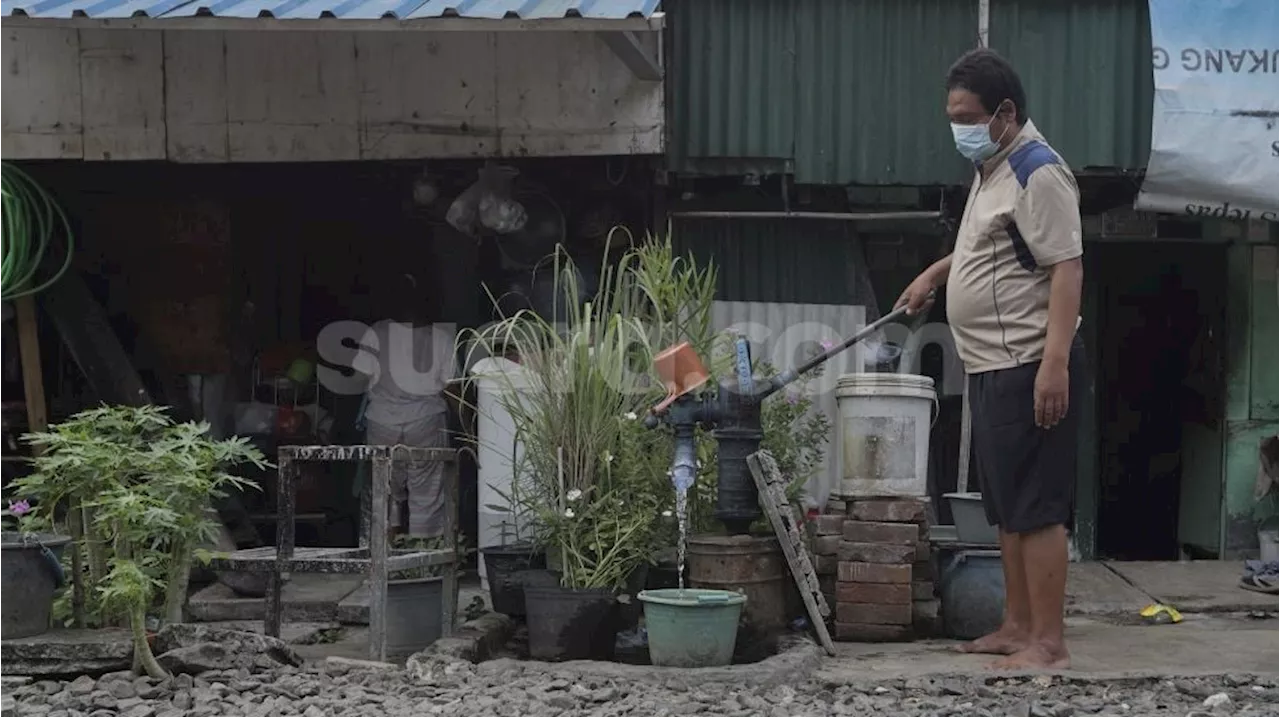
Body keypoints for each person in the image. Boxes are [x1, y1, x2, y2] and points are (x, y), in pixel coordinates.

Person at [897, 48, 1086, 670]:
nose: (959, 129)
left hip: (1028, 361)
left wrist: (1053, 363)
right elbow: (989, 246)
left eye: (968, 116)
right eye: (952, 116)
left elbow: (1066, 266)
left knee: (1037, 506)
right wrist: (933, 273)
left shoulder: (1038, 170)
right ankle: (1016, 625)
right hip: (990, 365)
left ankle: (1048, 643)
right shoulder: (993, 168)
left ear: (1005, 112)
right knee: (1005, 504)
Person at [353, 274, 456, 540]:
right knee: (427, 490)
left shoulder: (376, 332)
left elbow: (360, 377)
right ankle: (423, 558)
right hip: (426, 421)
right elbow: (452, 387)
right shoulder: (441, 338)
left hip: (382, 422)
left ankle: (387, 555)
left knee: (385, 486)